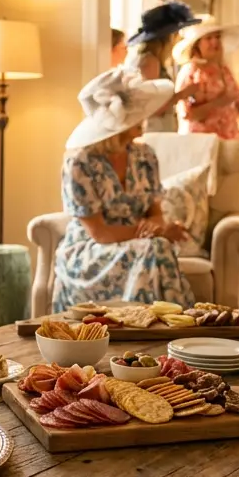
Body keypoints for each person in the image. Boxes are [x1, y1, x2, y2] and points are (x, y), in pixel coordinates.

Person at [54, 67, 193, 312]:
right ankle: (173, 322)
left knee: (155, 249)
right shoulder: (79, 163)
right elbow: (99, 233)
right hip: (91, 253)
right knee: (155, 248)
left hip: (140, 245)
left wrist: (157, 227)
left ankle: (155, 322)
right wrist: (156, 234)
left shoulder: (145, 156)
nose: (144, 118)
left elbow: (155, 213)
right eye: (136, 114)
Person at [174, 23, 239, 140]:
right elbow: (187, 114)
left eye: (217, 37)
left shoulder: (224, 70)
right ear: (197, 45)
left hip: (227, 140)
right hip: (201, 142)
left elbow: (232, 109)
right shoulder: (191, 73)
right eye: (209, 38)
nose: (215, 42)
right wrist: (218, 103)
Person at [125, 2, 203, 132]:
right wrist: (182, 94)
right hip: (153, 128)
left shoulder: (149, 59)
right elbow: (150, 108)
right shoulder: (150, 61)